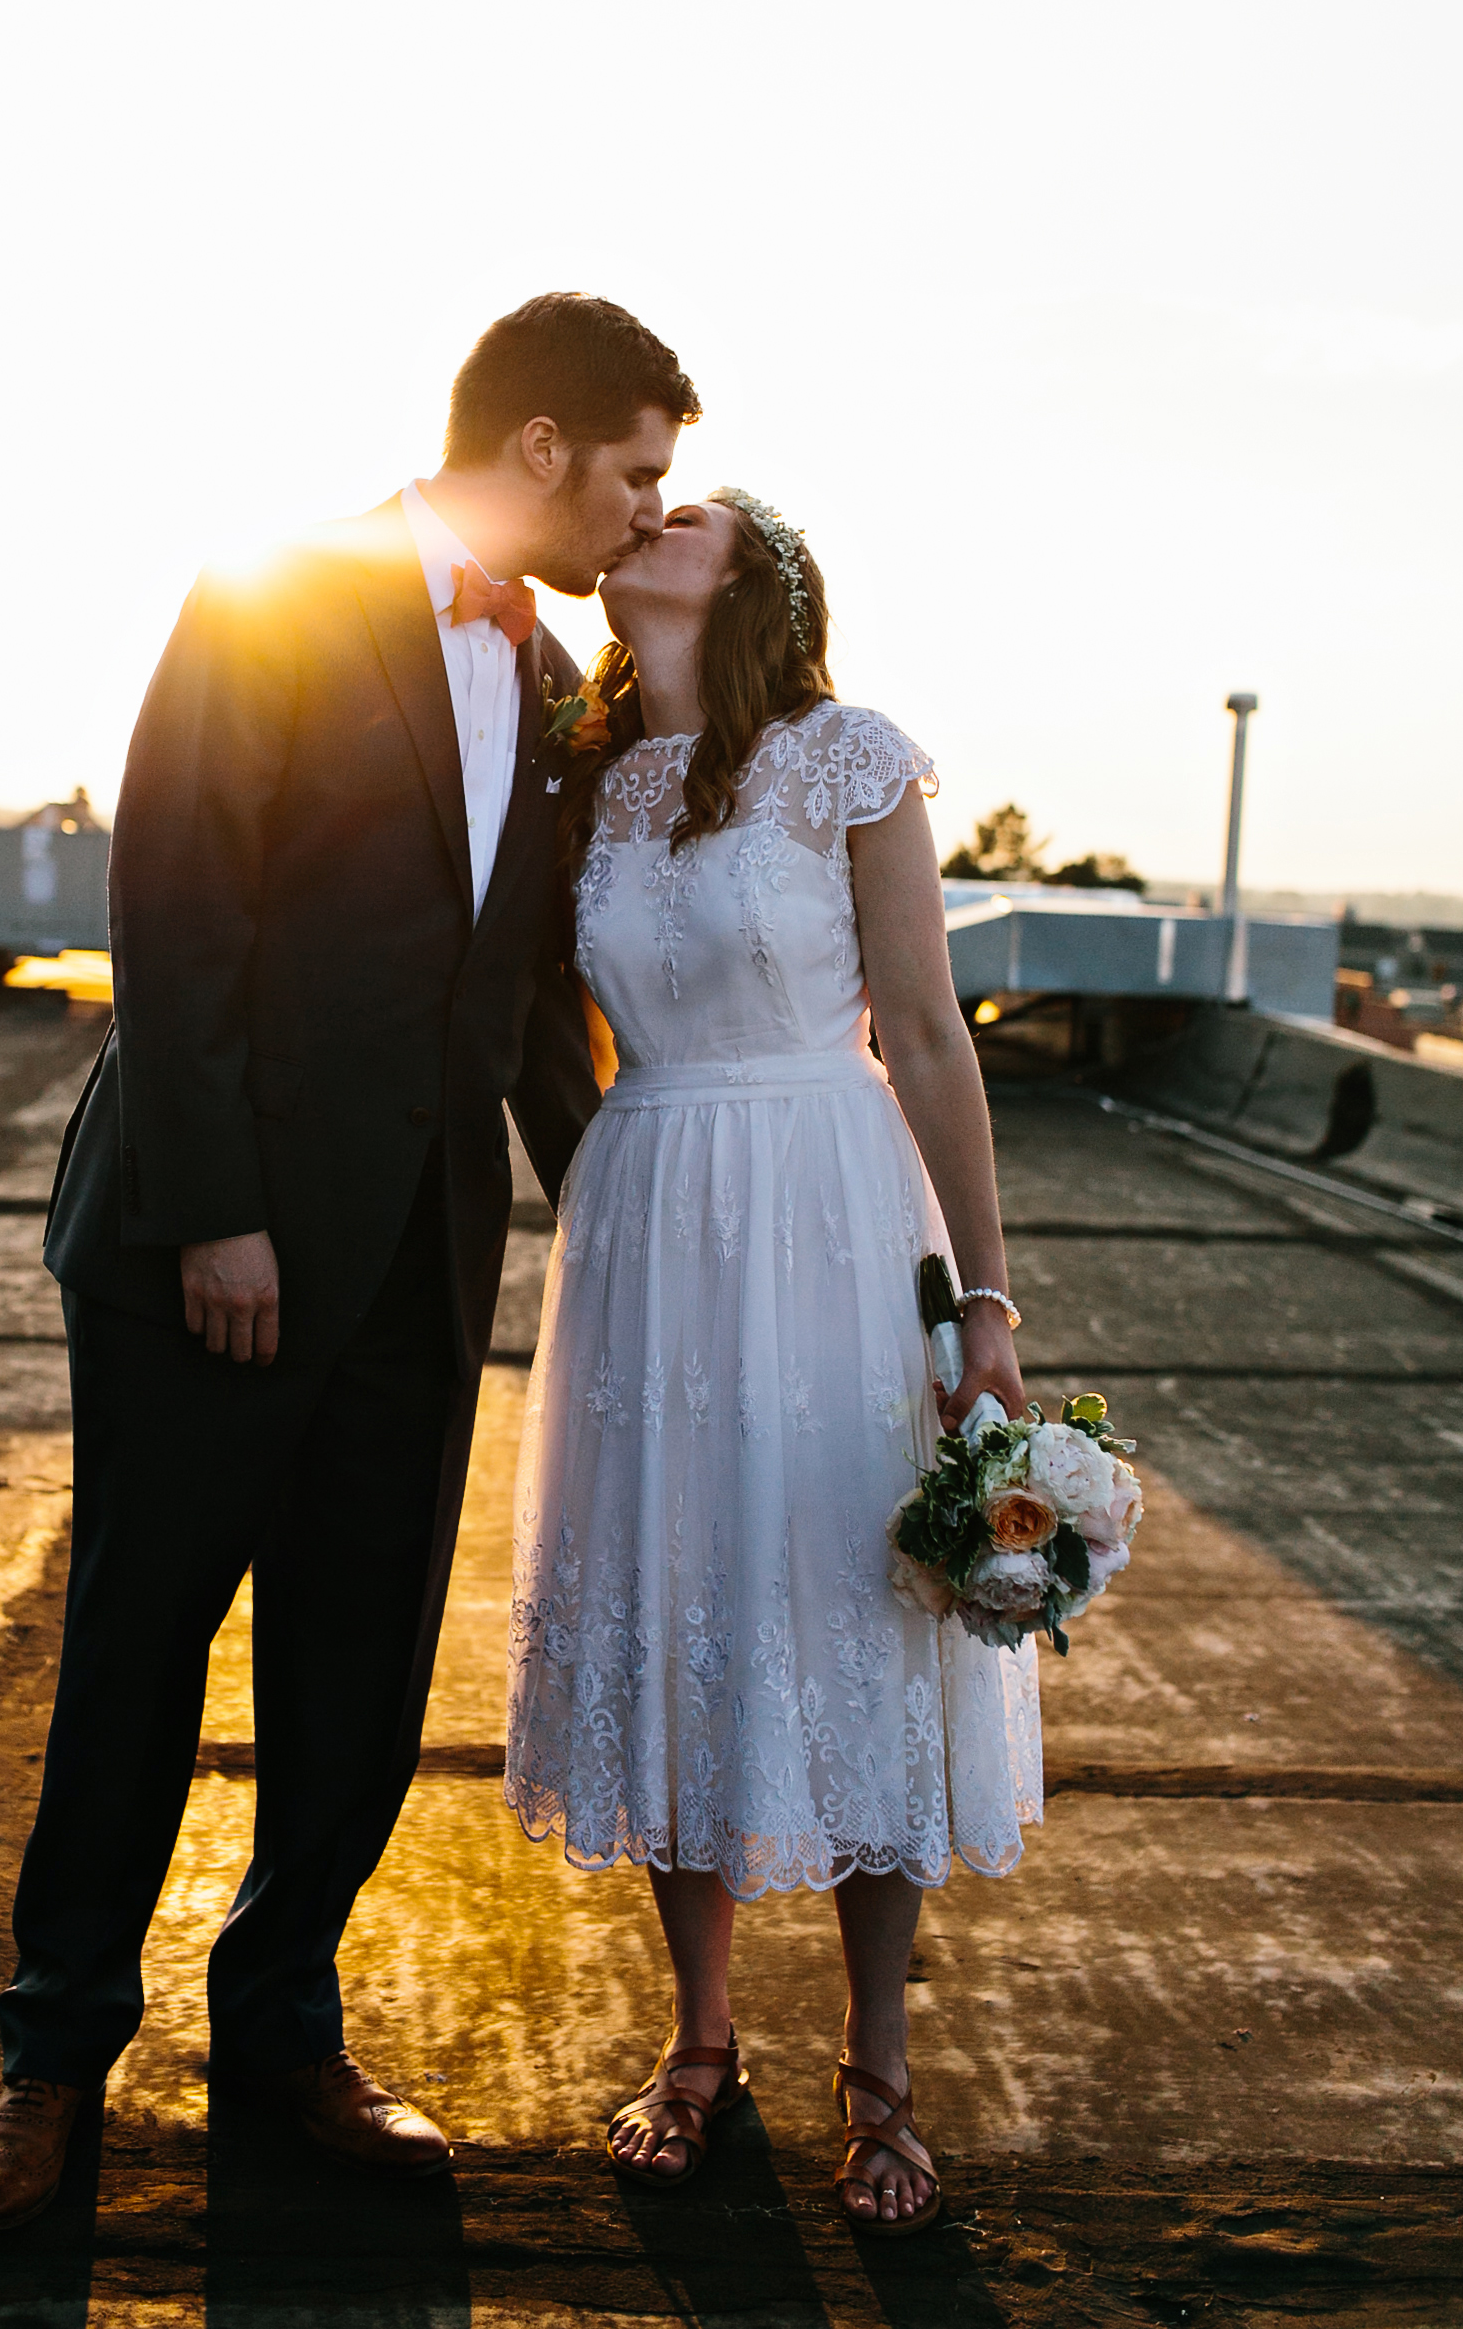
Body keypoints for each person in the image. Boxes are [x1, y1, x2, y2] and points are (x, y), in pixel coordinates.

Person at [0, 294, 701, 2229]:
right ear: (539, 445)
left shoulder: (546, 677)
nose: (642, 515)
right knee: (135, 1656)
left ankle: (282, 2031)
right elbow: (175, 903)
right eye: (633, 472)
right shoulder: (274, 591)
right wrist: (219, 1208)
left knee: (354, 1679)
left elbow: (520, 986)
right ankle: (48, 2065)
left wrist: (628, 1200)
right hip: (221, 1246)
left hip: (418, 1265)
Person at [504, 488, 1040, 2236]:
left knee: (855, 1610)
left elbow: (932, 1036)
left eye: (690, 513)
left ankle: (881, 2069)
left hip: (829, 1203)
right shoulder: (590, 779)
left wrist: (985, 1308)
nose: (646, 515)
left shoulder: (846, 757)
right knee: (678, 1604)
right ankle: (700, 2041)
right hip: (651, 1219)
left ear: (752, 581)